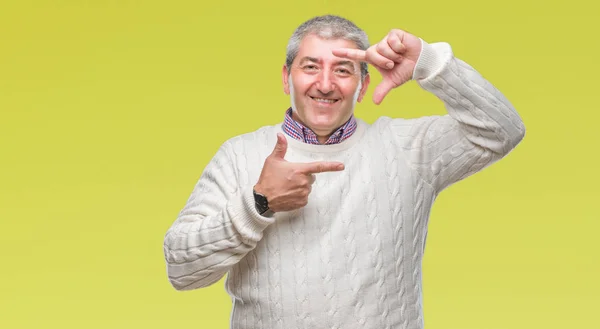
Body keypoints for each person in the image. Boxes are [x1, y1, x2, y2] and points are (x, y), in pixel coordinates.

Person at [163, 14, 525, 329]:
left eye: (342, 69)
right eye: (310, 67)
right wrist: (258, 203)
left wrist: (429, 63)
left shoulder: (409, 148)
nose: (325, 84)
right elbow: (181, 269)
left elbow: (503, 129)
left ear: (363, 85)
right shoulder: (240, 155)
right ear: (287, 79)